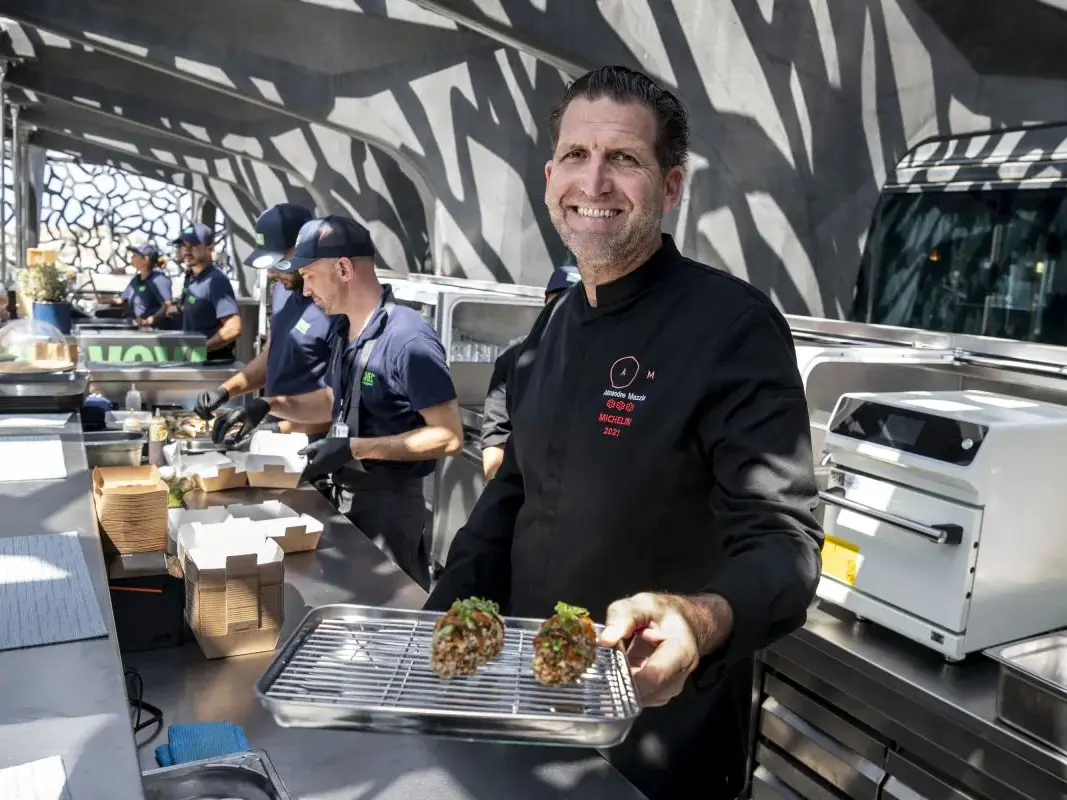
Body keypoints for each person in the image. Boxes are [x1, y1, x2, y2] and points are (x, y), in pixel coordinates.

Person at [426, 66, 823, 799]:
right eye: (576, 156)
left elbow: (784, 543)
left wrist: (698, 621)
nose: (595, 181)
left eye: (625, 160)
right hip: (526, 698)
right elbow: (514, 490)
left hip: (654, 728)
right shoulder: (555, 322)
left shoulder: (730, 327)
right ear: (550, 176)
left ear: (669, 188)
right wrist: (439, 615)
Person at [248, 215, 464, 589]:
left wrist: (353, 448)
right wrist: (268, 406)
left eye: (310, 277)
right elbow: (331, 402)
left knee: (389, 617)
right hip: (345, 495)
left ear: (344, 268)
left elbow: (448, 436)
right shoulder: (343, 329)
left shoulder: (408, 339)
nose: (303, 291)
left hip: (389, 508)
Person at [197, 203, 333, 442]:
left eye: (279, 262)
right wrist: (226, 390)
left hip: (312, 444)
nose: (270, 273)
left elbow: (339, 404)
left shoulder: (336, 307)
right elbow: (272, 357)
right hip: (274, 433)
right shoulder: (282, 291)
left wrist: (272, 431)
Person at [480, 265, 580, 479]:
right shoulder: (516, 357)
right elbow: (495, 449)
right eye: (557, 303)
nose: (563, 313)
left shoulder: (603, 362)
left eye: (575, 305)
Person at [173, 222, 242, 361]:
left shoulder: (215, 281)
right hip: (192, 361)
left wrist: (203, 348)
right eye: (184, 245)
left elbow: (234, 327)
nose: (186, 251)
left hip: (212, 365)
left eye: (193, 245)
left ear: (210, 248)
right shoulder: (191, 277)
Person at [111, 243, 175, 328]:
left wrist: (151, 320)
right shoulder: (136, 279)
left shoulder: (159, 279)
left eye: (135, 255)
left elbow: (167, 305)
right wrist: (99, 299)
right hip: (138, 326)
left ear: (146, 260)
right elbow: (120, 299)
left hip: (155, 329)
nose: (132, 257)